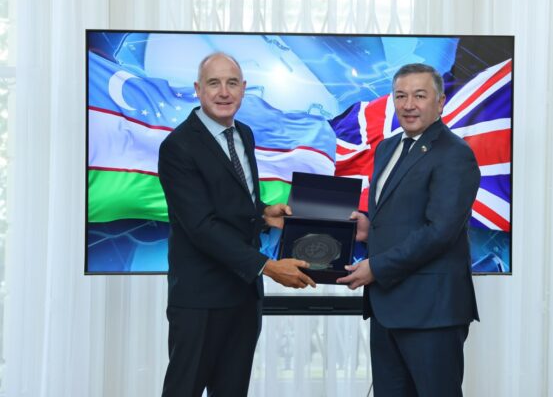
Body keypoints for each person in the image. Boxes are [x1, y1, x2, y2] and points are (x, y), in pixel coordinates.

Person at [158, 52, 316, 397]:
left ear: (244, 88)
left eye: (232, 83)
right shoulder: (178, 147)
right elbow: (200, 225)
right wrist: (267, 266)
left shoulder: (243, 133)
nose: (224, 92)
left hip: (244, 295)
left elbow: (231, 200)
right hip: (200, 299)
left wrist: (264, 212)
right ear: (198, 89)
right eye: (214, 83)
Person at [337, 63, 481, 396]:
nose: (409, 105)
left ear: (440, 102)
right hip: (387, 308)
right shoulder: (387, 148)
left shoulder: (455, 154)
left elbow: (440, 232)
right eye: (400, 96)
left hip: (432, 312)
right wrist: (369, 228)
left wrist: (376, 268)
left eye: (419, 95)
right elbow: (401, 215)